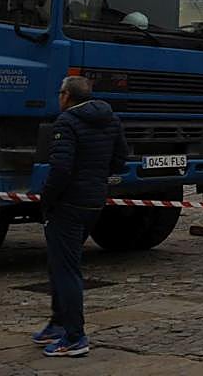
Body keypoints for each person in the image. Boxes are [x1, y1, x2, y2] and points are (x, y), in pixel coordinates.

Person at [32, 76, 127, 357]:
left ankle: (74, 336)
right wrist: (97, 178)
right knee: (60, 263)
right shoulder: (111, 119)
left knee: (66, 270)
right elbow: (120, 159)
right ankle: (57, 322)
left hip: (68, 204)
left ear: (67, 96)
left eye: (60, 92)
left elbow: (60, 168)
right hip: (93, 201)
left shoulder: (66, 123)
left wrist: (47, 200)